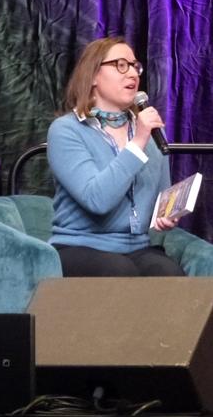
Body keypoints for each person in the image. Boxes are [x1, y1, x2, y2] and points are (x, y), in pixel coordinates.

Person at [47, 36, 186, 277]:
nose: (132, 73)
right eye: (121, 65)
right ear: (92, 76)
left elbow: (161, 197)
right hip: (79, 246)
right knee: (118, 273)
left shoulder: (152, 131)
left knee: (170, 276)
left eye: (135, 66)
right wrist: (138, 142)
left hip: (138, 247)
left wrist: (166, 215)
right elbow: (97, 200)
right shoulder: (66, 130)